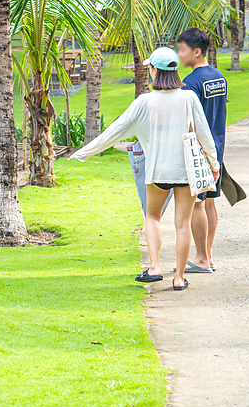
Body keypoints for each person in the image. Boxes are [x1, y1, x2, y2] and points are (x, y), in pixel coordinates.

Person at [70, 47, 218, 291]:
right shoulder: (189, 98)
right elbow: (205, 136)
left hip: (158, 173)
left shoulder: (145, 101)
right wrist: (214, 165)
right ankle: (179, 278)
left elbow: (115, 130)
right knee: (183, 224)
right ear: (175, 70)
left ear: (154, 71)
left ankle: (155, 268)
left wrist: (83, 153)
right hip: (186, 174)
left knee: (152, 217)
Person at [177, 28, 227, 274]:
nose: (179, 54)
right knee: (210, 202)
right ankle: (208, 256)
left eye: (183, 49)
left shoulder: (190, 84)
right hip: (217, 149)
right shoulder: (219, 77)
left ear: (196, 52)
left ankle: (200, 258)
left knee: (198, 203)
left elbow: (189, 122)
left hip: (198, 152)